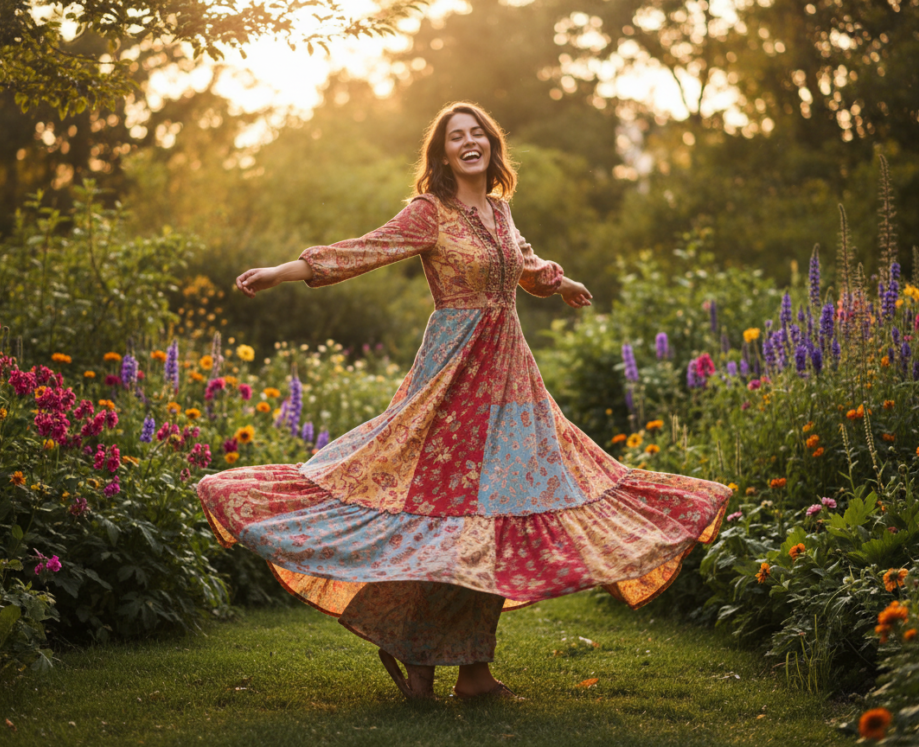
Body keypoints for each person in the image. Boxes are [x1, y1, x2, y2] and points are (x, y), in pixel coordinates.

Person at [197, 101, 730, 701]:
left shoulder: (499, 211)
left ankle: (472, 671)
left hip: (511, 381)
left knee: (497, 512)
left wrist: (560, 282)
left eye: (477, 133)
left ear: (491, 146)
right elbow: (364, 249)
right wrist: (285, 270)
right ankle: (417, 651)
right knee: (441, 512)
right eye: (457, 136)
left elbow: (522, 262)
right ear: (443, 153)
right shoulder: (430, 212)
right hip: (453, 376)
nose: (469, 141)